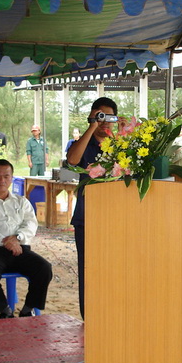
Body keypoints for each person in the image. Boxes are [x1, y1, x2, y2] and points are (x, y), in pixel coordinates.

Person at [0, 159, 52, 318]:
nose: (2, 180)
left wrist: (17, 238)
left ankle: (28, 308)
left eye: (6, 176)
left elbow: (31, 224)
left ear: (12, 178)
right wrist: (5, 241)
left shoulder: (22, 202)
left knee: (44, 268)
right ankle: (4, 310)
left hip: (19, 249)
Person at [67, 97, 123, 319]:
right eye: (100, 116)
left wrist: (123, 133)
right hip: (87, 219)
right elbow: (72, 160)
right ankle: (89, 317)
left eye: (109, 117)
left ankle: (111, 314)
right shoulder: (84, 143)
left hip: (115, 219)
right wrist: (92, 126)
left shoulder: (119, 145)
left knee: (114, 270)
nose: (105, 121)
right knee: (88, 270)